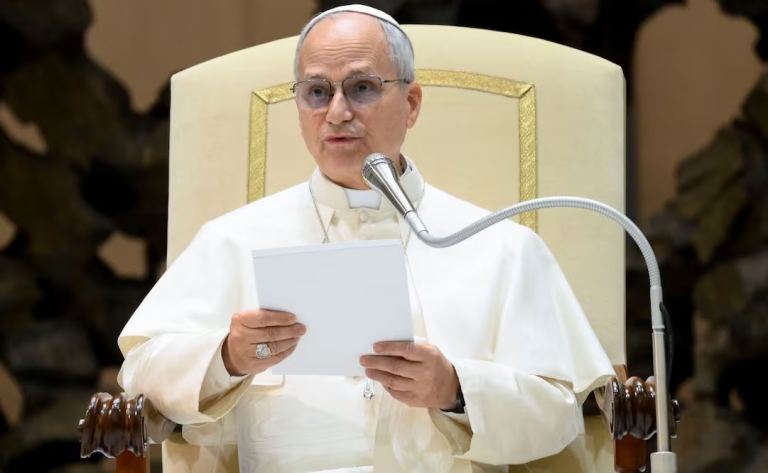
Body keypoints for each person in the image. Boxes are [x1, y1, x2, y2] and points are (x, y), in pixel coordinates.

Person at [117, 5, 615, 472]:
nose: (337, 113)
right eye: (317, 92)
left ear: (411, 103)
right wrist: (227, 356)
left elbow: (559, 416)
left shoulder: (502, 247)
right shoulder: (232, 240)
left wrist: (456, 390)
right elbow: (141, 373)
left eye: (362, 88)